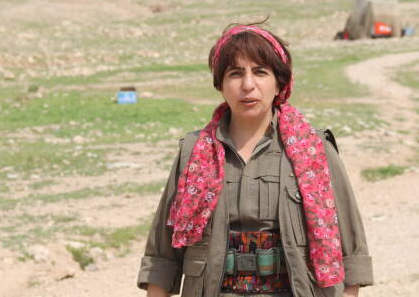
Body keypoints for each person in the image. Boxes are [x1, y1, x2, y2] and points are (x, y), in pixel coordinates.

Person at [137, 22, 373, 297]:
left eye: (260, 72)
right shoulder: (194, 153)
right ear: (220, 84)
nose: (248, 85)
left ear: (279, 82)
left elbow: (351, 255)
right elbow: (162, 258)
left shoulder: (315, 150)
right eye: (235, 74)